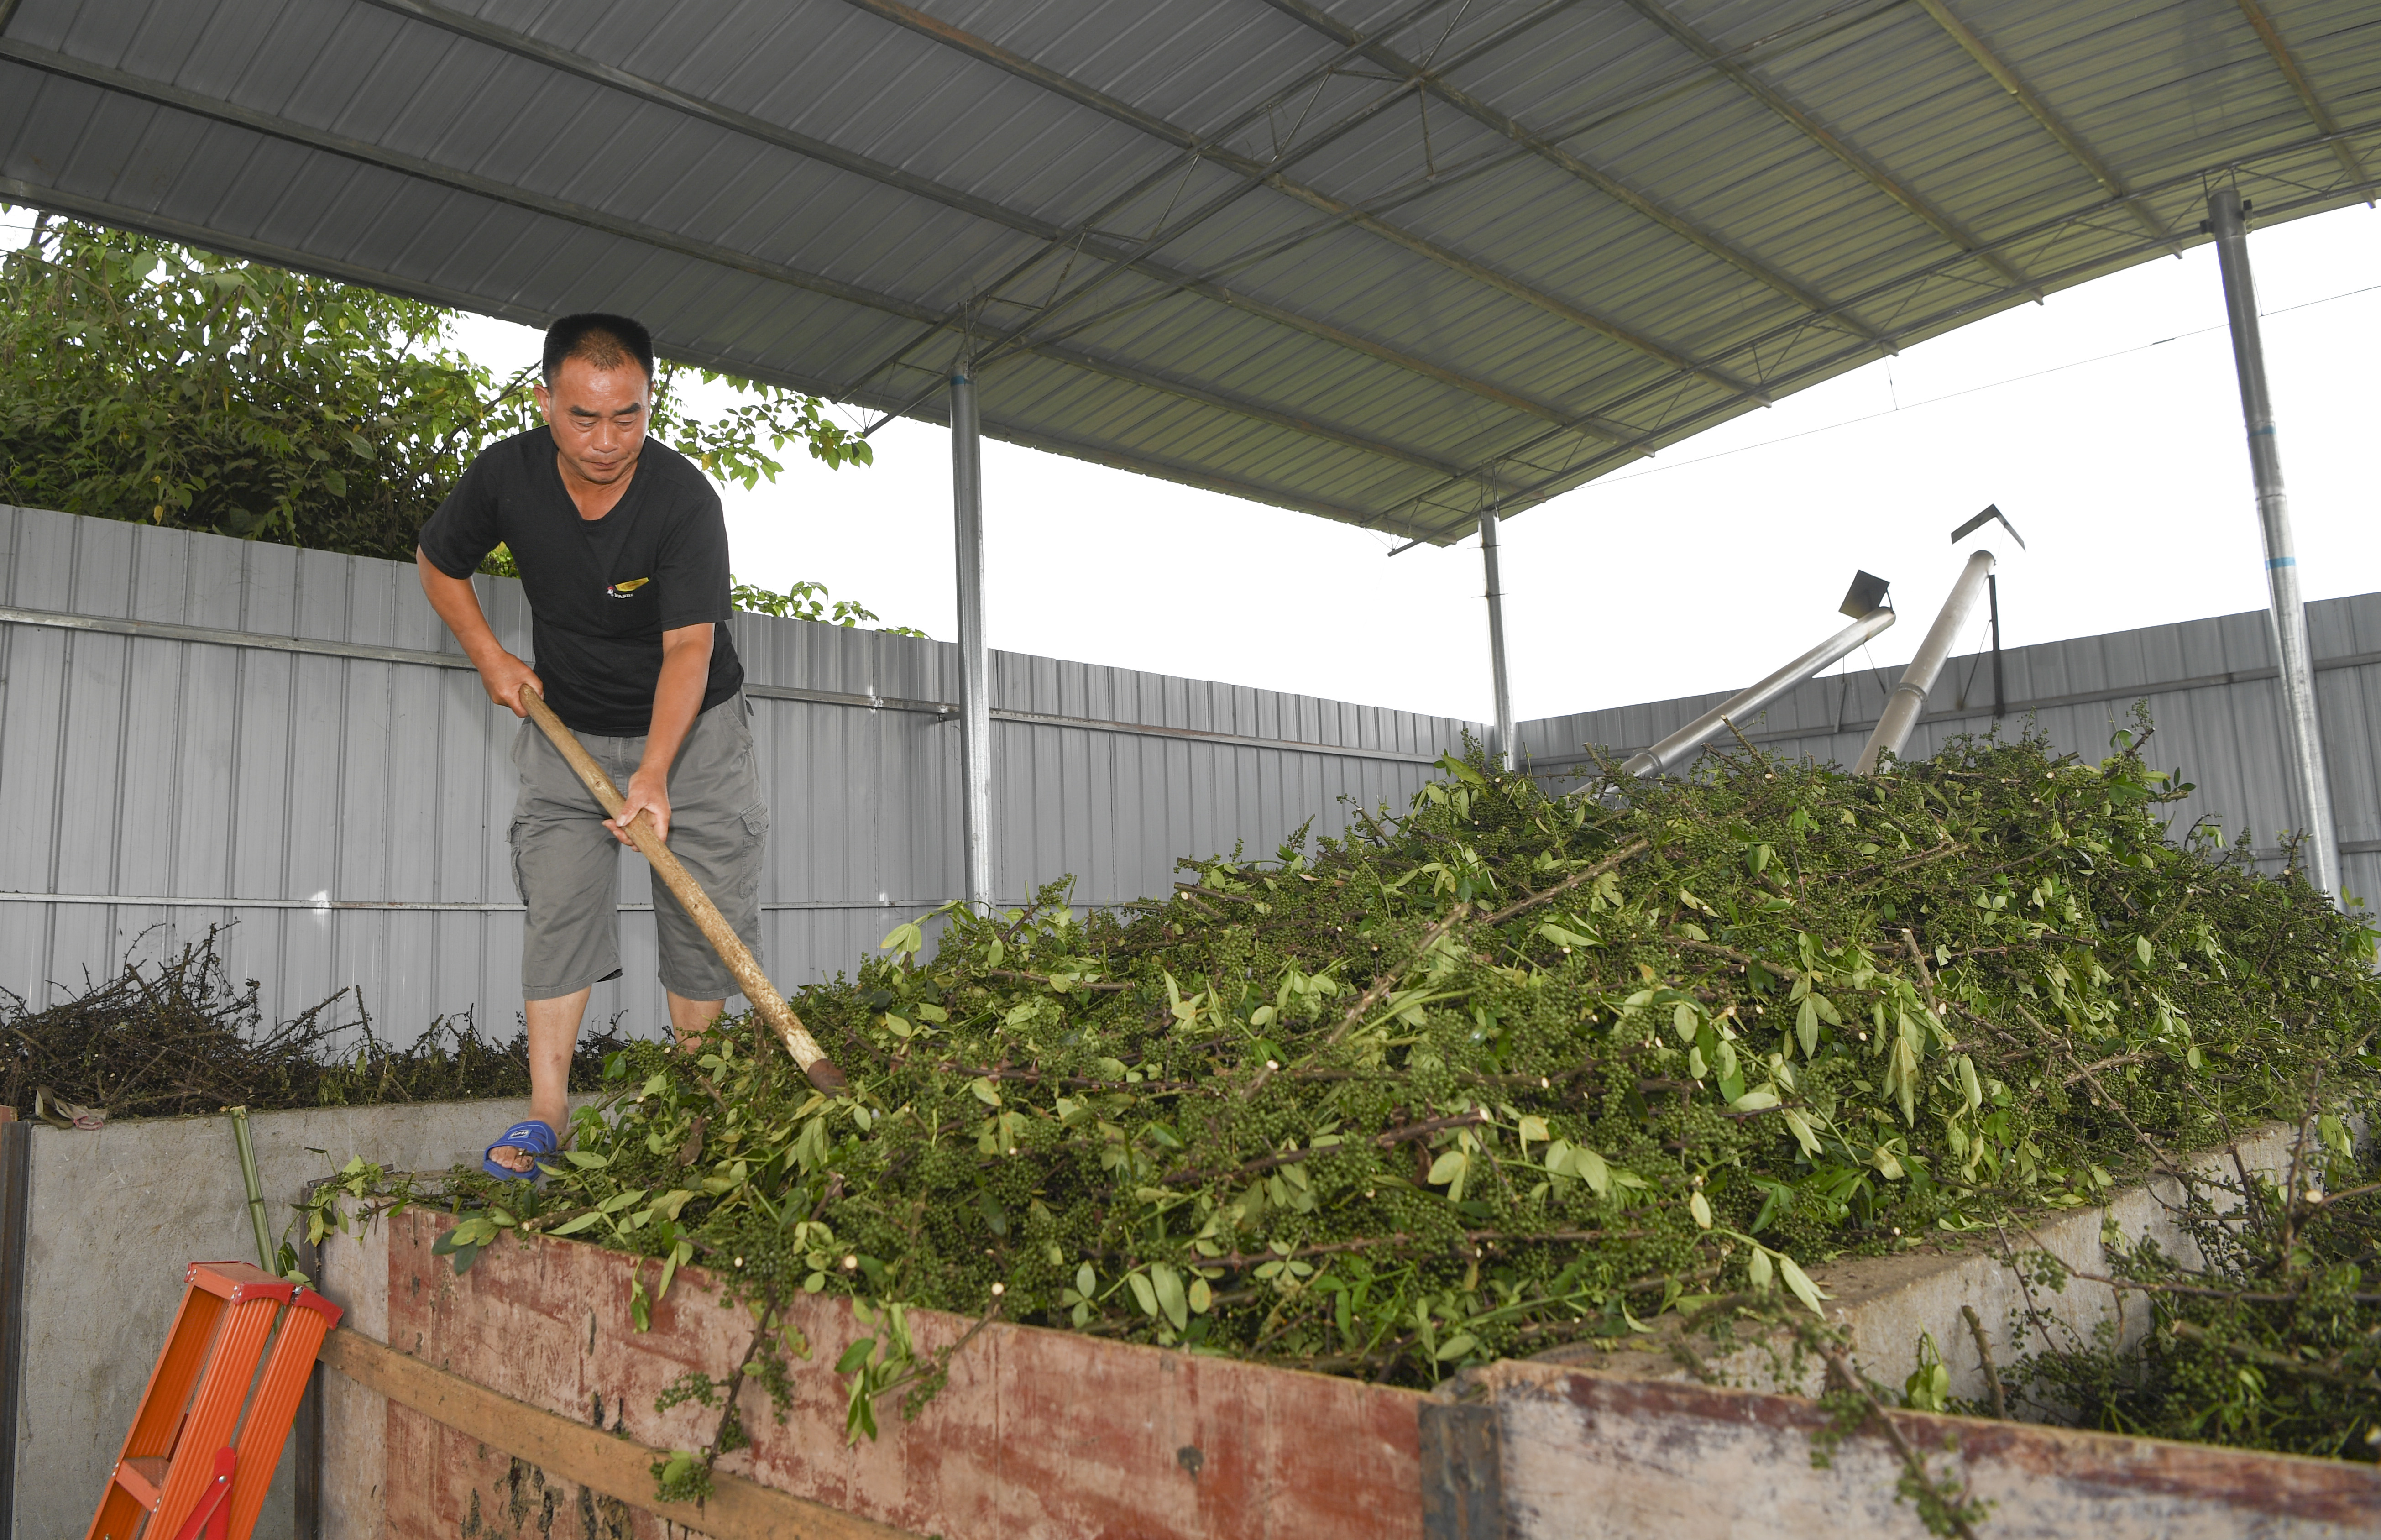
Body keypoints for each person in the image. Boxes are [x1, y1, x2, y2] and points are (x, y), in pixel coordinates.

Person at [415, 314, 768, 1177]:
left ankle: (694, 1112)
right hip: (565, 723)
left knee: (700, 911)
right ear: (544, 403)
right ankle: (545, 1115)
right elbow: (436, 559)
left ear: (650, 404)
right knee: (560, 905)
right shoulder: (506, 475)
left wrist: (654, 771)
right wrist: (491, 656)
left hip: (691, 732)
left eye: (629, 416)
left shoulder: (683, 500)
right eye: (583, 417)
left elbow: (689, 648)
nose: (607, 441)